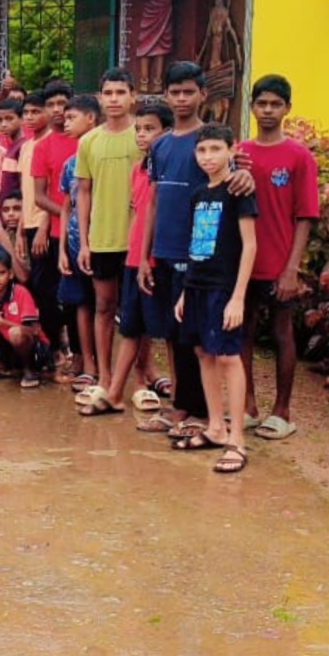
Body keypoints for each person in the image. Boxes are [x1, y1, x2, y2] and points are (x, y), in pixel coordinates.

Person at [137, 61, 256, 438]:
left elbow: (238, 176)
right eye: (175, 92)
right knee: (176, 335)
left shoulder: (211, 140)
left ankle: (206, 414)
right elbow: (152, 201)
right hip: (166, 250)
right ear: (165, 96)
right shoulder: (160, 145)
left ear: (203, 94)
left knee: (206, 342)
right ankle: (182, 405)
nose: (182, 99)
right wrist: (144, 255)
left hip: (204, 259)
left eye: (189, 91)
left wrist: (245, 174)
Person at [80, 97, 174, 417]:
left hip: (160, 258)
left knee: (167, 330)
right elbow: (139, 214)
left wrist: (148, 256)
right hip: (135, 256)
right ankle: (114, 391)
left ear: (167, 132)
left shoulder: (172, 169)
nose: (142, 135)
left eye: (150, 129)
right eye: (140, 129)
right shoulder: (138, 170)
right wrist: (138, 254)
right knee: (131, 325)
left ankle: (167, 394)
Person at [173, 123, 258, 473]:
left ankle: (237, 438)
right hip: (196, 285)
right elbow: (195, 244)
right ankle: (215, 426)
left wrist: (238, 297)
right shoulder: (198, 194)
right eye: (202, 150)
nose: (208, 157)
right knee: (203, 353)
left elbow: (250, 245)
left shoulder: (238, 191)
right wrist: (185, 291)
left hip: (223, 288)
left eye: (215, 149)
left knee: (227, 356)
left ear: (231, 149)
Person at [238, 74, 319, 441]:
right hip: (244, 263)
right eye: (262, 103)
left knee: (281, 332)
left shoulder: (299, 157)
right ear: (252, 107)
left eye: (275, 104)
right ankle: (247, 405)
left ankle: (282, 411)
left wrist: (291, 269)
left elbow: (305, 216)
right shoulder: (239, 153)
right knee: (242, 331)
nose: (268, 110)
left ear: (287, 108)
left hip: (280, 262)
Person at [74, 68, 140, 404]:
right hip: (102, 237)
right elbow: (83, 192)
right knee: (103, 306)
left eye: (120, 92)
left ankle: (141, 380)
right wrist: (84, 242)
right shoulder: (88, 141)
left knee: (137, 311)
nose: (114, 99)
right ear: (100, 98)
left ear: (133, 96)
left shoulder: (144, 136)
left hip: (139, 239)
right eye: (108, 93)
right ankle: (104, 375)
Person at [29, 90, 79, 374]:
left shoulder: (87, 141)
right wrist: (68, 216)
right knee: (44, 290)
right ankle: (58, 343)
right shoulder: (42, 147)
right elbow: (40, 196)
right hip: (57, 230)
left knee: (79, 298)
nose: (57, 109)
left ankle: (82, 355)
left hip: (90, 233)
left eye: (63, 103)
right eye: (51, 104)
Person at [55, 97, 98, 389]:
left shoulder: (105, 158)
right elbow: (66, 207)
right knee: (80, 303)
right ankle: (88, 363)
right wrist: (62, 249)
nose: (65, 122)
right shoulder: (70, 165)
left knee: (105, 306)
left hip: (104, 241)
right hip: (73, 244)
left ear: (91, 118)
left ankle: (106, 364)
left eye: (72, 117)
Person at [0, 248, 45, 388]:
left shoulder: (21, 292)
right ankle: (3, 367)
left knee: (15, 333)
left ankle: (29, 370)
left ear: (10, 274)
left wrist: (4, 323)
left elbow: (33, 331)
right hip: (8, 346)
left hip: (33, 350)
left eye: (1, 273)